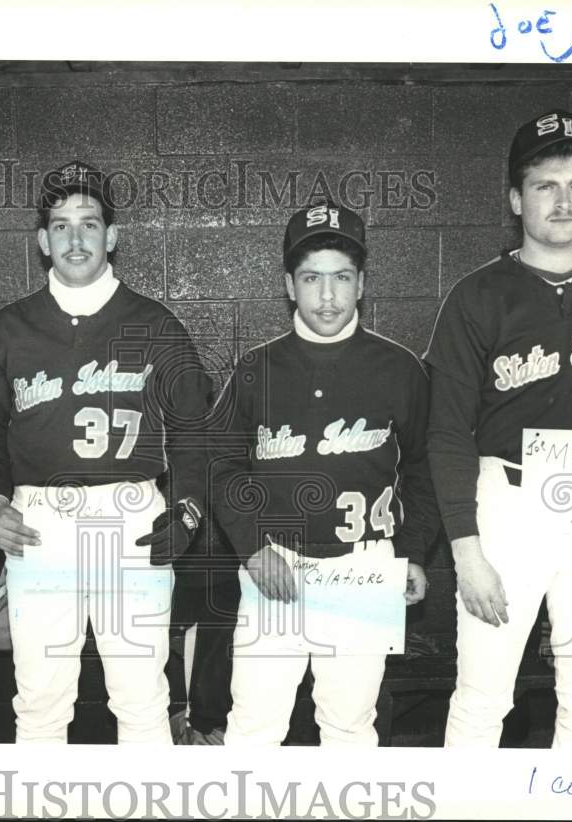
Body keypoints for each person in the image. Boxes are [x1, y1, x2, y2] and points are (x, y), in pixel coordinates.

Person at [424, 110, 572, 748]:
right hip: (509, 503)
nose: (562, 200)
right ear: (514, 199)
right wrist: (467, 551)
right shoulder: (476, 297)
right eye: (544, 185)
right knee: (483, 695)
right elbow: (445, 434)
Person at [0, 160, 211, 744]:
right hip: (40, 521)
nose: (75, 239)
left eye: (90, 223)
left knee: (142, 698)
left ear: (113, 236)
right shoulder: (8, 328)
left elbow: (196, 434)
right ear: (42, 242)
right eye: (60, 226)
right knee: (41, 700)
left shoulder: (157, 324)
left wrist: (187, 510)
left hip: (131, 516)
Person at [208, 201, 438, 746]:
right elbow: (220, 465)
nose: (328, 296)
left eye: (341, 278)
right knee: (253, 727)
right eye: (312, 278)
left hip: (363, 565)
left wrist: (411, 552)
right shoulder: (256, 369)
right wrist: (252, 547)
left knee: (350, 726)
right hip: (276, 564)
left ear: (361, 284)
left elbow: (429, 467)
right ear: (290, 285)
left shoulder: (400, 367)